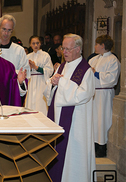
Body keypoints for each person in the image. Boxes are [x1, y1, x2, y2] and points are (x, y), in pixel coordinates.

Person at [44, 33, 96, 182]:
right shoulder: (61, 67)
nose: (63, 52)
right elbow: (49, 93)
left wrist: (62, 83)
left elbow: (83, 95)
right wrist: (52, 83)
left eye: (67, 49)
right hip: (57, 120)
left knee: (73, 158)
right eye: (63, 48)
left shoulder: (86, 71)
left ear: (78, 49)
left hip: (76, 125)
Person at [89, 34, 121, 157]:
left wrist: (96, 73)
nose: (95, 46)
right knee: (93, 119)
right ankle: (93, 144)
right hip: (93, 93)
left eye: (97, 44)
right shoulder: (94, 59)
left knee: (102, 120)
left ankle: (102, 147)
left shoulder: (113, 60)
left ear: (103, 46)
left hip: (104, 94)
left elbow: (111, 79)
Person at [0, 14, 30, 104]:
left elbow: (25, 73)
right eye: (4, 29)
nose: (6, 33)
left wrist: (11, 75)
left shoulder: (19, 50)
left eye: (9, 30)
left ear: (13, 30)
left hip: (11, 90)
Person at [26, 35, 53, 115]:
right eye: (33, 43)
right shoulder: (28, 56)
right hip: (31, 82)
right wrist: (30, 68)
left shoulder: (45, 55)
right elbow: (24, 71)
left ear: (40, 43)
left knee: (40, 103)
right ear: (30, 45)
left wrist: (37, 67)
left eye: (37, 43)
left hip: (41, 82)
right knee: (31, 103)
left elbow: (50, 70)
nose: (35, 45)